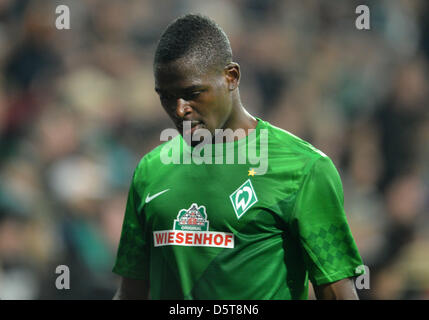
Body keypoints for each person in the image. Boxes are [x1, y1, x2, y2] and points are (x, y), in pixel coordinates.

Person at [112, 14, 363, 300]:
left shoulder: (304, 169)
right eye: (166, 96)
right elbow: (130, 292)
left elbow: (337, 293)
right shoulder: (149, 171)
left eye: (192, 93)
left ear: (231, 77)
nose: (179, 109)